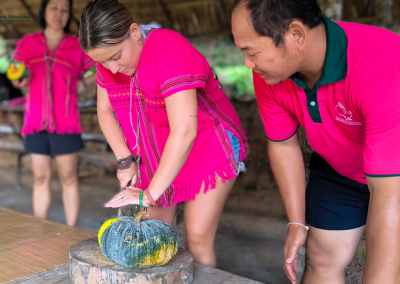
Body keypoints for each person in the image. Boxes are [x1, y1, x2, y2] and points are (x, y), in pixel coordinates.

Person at [232, 0, 400, 283]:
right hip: (341, 169)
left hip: (392, 177)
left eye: (253, 52)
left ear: (296, 35)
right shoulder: (271, 74)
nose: (248, 64)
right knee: (321, 258)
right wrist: (297, 222)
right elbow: (283, 144)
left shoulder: (383, 66)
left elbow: (389, 192)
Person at [79, 0, 247, 268]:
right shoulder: (108, 63)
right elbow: (105, 111)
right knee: (152, 237)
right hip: (157, 150)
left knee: (197, 239)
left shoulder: (169, 50)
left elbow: (185, 130)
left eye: (116, 56)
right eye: (102, 62)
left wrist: (148, 195)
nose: (112, 69)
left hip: (207, 144)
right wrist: (125, 159)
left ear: (135, 32)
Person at [11, 0, 96, 227]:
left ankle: (70, 232)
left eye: (65, 9)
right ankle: (41, 230)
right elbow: (15, 72)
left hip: (66, 122)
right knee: (41, 178)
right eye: (54, 8)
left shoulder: (77, 45)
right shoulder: (28, 44)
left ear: (69, 15)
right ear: (44, 11)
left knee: (68, 178)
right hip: (35, 122)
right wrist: (19, 79)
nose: (59, 13)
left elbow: (103, 65)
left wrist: (83, 83)